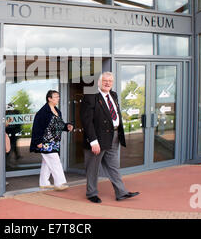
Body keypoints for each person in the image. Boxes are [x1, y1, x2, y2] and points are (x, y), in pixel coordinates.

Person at [80, 72, 140, 203]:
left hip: (114, 136)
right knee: (93, 168)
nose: (107, 83)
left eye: (110, 81)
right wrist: (93, 141)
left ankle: (121, 192)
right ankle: (91, 193)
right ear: (99, 82)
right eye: (105, 81)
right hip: (98, 139)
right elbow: (87, 121)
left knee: (113, 166)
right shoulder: (91, 97)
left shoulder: (114, 95)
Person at [30, 90, 74, 191]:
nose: (58, 98)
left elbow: (59, 125)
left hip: (55, 141)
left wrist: (67, 127)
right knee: (55, 161)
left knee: (47, 163)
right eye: (56, 97)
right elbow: (37, 127)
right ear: (49, 98)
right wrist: (38, 142)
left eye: (58, 96)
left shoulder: (57, 111)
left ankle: (44, 183)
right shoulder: (43, 112)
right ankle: (59, 183)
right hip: (45, 141)